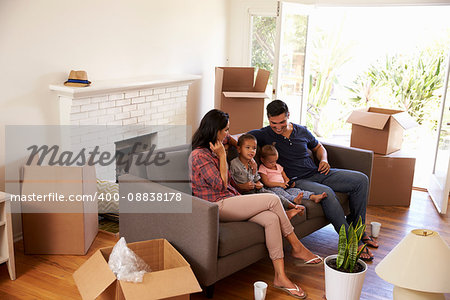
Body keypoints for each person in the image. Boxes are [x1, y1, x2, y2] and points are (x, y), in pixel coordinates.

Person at [190, 109, 322, 299]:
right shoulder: (199, 155)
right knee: (272, 199)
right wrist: (221, 157)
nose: (228, 134)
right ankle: (296, 246)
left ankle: (280, 277)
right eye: (225, 130)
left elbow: (234, 141)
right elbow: (221, 184)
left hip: (232, 199)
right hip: (216, 205)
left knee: (270, 219)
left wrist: (247, 156)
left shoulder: (219, 141)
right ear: (215, 130)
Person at [248, 100, 379, 261]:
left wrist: (324, 159)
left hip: (317, 172)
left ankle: (359, 230)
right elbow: (240, 141)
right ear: (268, 119)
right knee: (327, 193)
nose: (278, 127)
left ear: (288, 115)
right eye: (273, 123)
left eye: (282, 122)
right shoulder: (264, 134)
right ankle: (351, 241)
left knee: (361, 180)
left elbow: (318, 147)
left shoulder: (301, 130)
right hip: (298, 181)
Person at [229, 134, 305, 220]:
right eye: (247, 148)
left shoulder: (253, 164)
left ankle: (294, 206)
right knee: (267, 202)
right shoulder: (234, 164)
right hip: (247, 194)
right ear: (239, 149)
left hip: (258, 190)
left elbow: (256, 178)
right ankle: (285, 214)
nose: (251, 151)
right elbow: (230, 182)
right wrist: (244, 186)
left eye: (254, 148)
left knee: (274, 195)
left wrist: (259, 183)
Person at [258, 144, 327, 207]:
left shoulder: (278, 166)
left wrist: (288, 182)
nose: (274, 164)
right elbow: (266, 183)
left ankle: (313, 197)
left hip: (284, 186)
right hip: (273, 188)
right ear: (262, 160)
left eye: (275, 161)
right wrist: (280, 184)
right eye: (271, 162)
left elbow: (285, 177)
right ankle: (294, 200)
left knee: (296, 191)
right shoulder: (263, 168)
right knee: (283, 194)